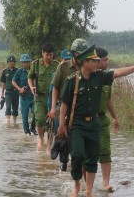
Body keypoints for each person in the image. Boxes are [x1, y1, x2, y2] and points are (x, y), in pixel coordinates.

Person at [57, 45, 134, 197]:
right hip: (77, 125)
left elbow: (119, 73)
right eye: (94, 61)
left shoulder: (100, 77)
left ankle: (89, 190)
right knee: (77, 156)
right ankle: (76, 187)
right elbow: (64, 104)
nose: (97, 64)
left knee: (92, 157)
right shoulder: (72, 80)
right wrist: (61, 125)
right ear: (85, 62)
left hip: (94, 124)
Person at [48, 38, 89, 171]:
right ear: (73, 53)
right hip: (64, 106)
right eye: (78, 54)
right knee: (62, 133)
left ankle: (80, 168)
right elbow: (55, 88)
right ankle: (63, 159)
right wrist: (53, 108)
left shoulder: (87, 67)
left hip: (80, 109)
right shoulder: (63, 67)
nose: (81, 56)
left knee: (79, 143)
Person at [27, 43, 59, 151]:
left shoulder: (57, 65)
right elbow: (30, 77)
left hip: (52, 98)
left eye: (51, 55)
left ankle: (49, 143)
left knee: (51, 121)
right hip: (39, 98)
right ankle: (41, 138)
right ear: (42, 53)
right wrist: (31, 87)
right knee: (40, 119)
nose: (49, 57)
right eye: (47, 55)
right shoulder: (36, 64)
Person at [95, 47, 119, 192]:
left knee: (105, 152)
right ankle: (87, 185)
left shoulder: (106, 79)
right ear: (96, 61)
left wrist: (115, 117)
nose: (107, 62)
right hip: (87, 121)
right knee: (87, 154)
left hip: (102, 120)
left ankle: (105, 183)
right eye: (105, 60)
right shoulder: (85, 77)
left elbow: (108, 99)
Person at [12, 54, 37, 135]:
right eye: (24, 62)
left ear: (29, 62)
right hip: (24, 97)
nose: (25, 64)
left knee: (36, 113)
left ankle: (33, 129)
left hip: (33, 96)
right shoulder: (19, 72)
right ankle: (27, 132)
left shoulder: (34, 71)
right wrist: (19, 89)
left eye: (27, 62)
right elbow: (13, 81)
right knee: (24, 116)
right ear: (22, 63)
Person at [0, 55, 19, 124]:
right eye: (10, 62)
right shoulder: (5, 71)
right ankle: (8, 121)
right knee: (8, 106)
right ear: (8, 62)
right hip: (8, 92)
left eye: (13, 62)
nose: (11, 63)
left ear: (14, 63)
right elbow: (3, 84)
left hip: (16, 92)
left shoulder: (18, 71)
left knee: (15, 108)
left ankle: (14, 123)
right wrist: (2, 94)